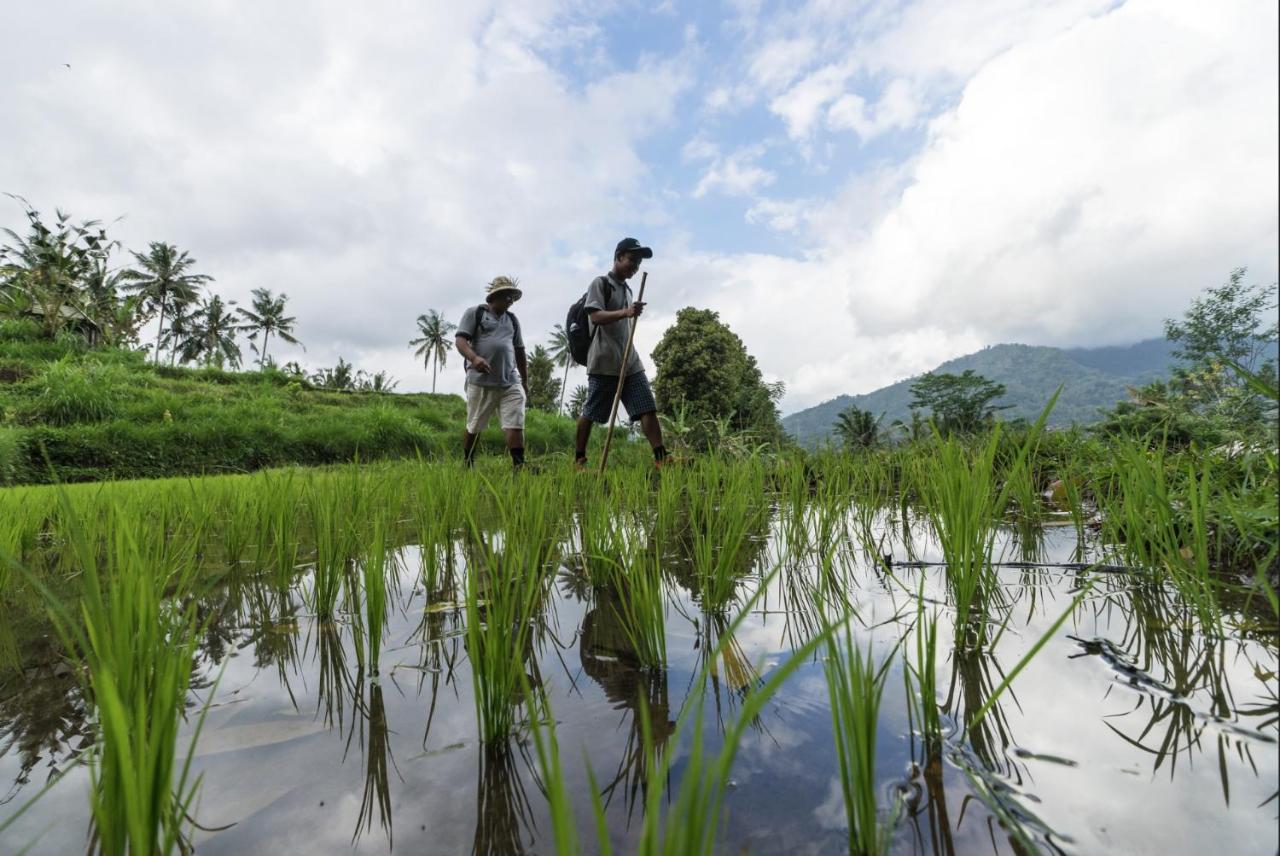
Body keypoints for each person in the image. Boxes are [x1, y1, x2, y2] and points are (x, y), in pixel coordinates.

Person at [574, 238, 668, 469]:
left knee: (646, 406)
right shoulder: (600, 283)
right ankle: (578, 459)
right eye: (631, 261)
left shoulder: (627, 290)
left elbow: (624, 320)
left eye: (638, 264)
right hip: (604, 360)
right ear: (618, 257)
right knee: (592, 411)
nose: (635, 267)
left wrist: (629, 312)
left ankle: (661, 458)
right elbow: (595, 316)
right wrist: (626, 312)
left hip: (629, 360)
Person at [454, 276, 529, 469]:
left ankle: (519, 465)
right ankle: (468, 462)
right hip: (481, 382)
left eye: (513, 297)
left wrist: (525, 382)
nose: (510, 301)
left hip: (509, 381)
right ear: (495, 296)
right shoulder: (475, 313)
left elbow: (519, 351)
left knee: (515, 421)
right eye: (507, 296)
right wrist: (474, 358)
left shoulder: (512, 320)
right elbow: (461, 341)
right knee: (475, 425)